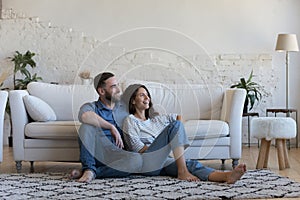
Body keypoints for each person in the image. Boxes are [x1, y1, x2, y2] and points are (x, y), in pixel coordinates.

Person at [122, 84, 247, 183]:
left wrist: (175, 145)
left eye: (147, 95)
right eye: (142, 95)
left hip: (161, 162)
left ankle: (226, 176)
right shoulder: (130, 121)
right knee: (175, 126)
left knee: (191, 164)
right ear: (133, 101)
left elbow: (178, 117)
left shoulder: (156, 120)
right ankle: (182, 171)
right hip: (146, 163)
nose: (147, 98)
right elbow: (137, 149)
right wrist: (165, 149)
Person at [70, 72, 143, 182]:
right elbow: (84, 116)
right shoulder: (92, 107)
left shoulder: (125, 108)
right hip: (98, 153)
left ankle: (92, 172)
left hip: (118, 154)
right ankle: (89, 167)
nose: (118, 90)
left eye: (117, 85)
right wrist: (111, 127)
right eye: (114, 86)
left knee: (137, 160)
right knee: (86, 127)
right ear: (101, 91)